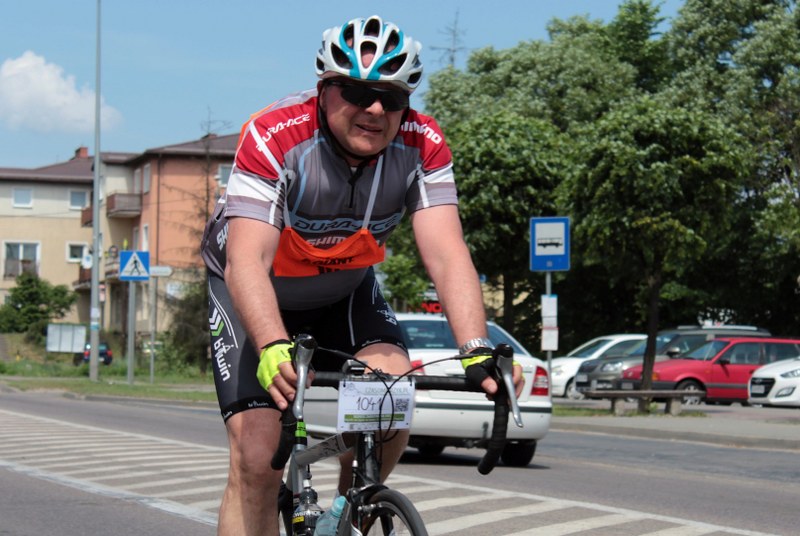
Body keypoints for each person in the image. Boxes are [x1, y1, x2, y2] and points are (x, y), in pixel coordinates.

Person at [200, 15, 523, 536]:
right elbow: (248, 262)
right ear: (324, 90)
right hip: (255, 293)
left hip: (344, 289)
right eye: (356, 92)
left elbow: (446, 253)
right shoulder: (274, 136)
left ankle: (345, 519)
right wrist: (273, 345)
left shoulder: (423, 143)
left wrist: (476, 347)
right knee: (258, 456)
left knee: (390, 400)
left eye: (391, 99)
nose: (375, 110)